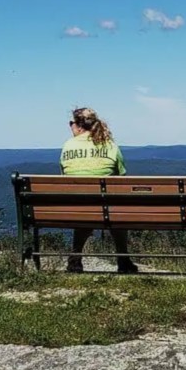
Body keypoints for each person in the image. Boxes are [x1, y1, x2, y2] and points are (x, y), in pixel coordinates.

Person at [60, 107, 137, 273]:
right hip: (107, 208)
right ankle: (123, 260)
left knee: (84, 209)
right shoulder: (110, 145)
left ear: (78, 126)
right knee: (116, 214)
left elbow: (64, 177)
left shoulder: (67, 146)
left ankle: (75, 260)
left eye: (71, 123)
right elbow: (121, 177)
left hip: (77, 208)